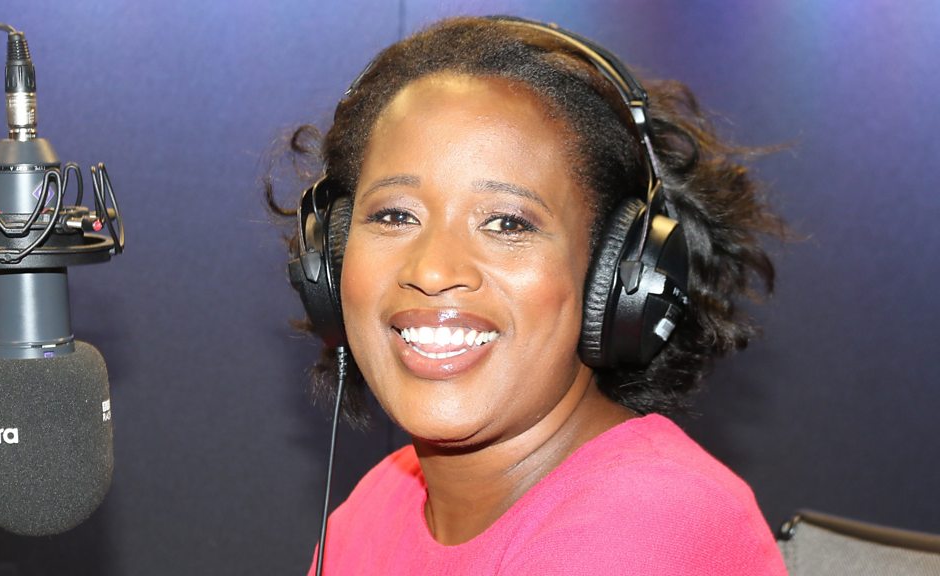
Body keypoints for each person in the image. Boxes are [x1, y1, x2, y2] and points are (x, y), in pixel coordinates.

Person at [270, 15, 788, 575]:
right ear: (328, 261)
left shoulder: (652, 526)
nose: (434, 270)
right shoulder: (377, 507)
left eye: (508, 223)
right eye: (395, 215)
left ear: (616, 273)